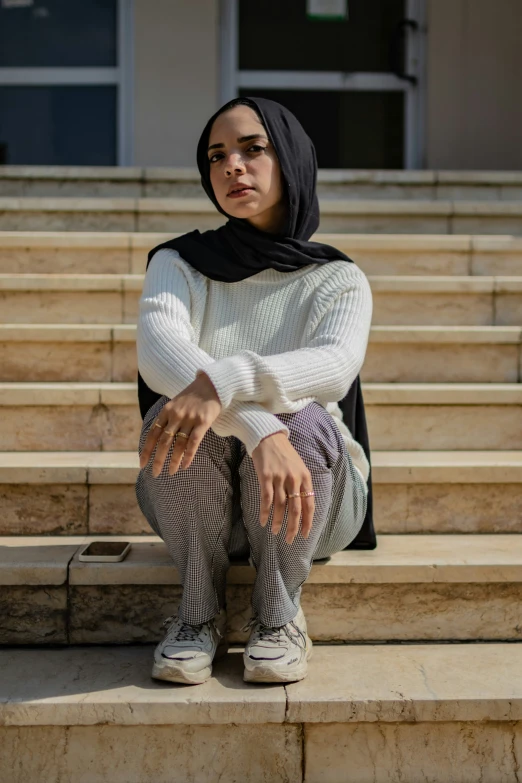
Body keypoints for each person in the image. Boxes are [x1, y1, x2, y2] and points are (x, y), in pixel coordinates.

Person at [135, 96, 373, 686]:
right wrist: (258, 426)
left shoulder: (337, 278)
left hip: (311, 497)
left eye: (252, 149)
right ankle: (197, 611)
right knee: (178, 413)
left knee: (307, 419)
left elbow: (333, 367)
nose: (232, 167)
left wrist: (224, 381)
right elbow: (160, 353)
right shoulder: (179, 263)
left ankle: (279, 610)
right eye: (217, 156)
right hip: (197, 503)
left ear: (290, 159)